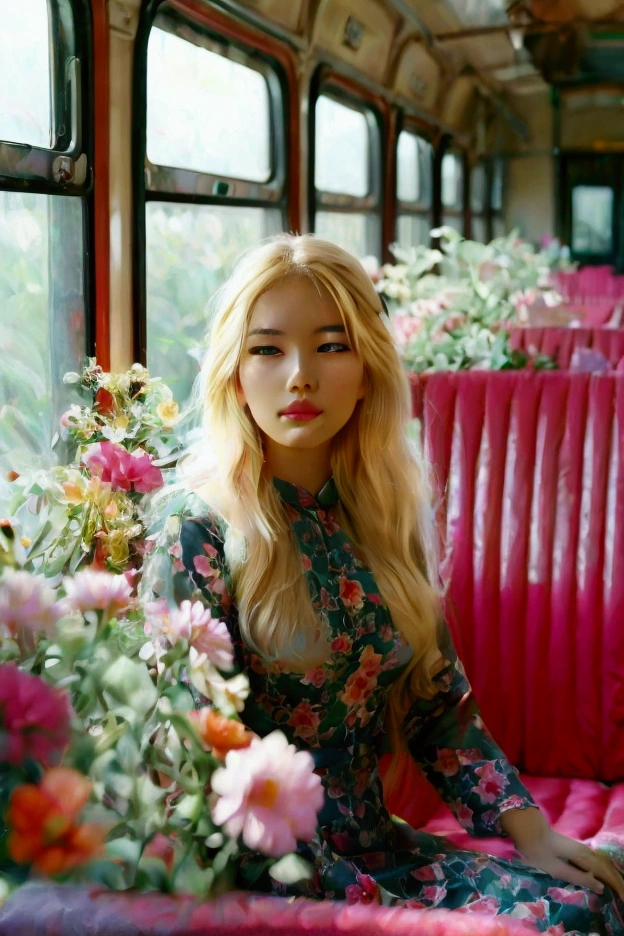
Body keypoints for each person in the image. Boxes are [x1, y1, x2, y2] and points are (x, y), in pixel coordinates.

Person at [146, 233, 624, 933]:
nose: (300, 376)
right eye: (268, 348)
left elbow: (438, 705)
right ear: (234, 371)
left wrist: (535, 835)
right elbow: (188, 753)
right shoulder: (197, 531)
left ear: (367, 366)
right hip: (266, 874)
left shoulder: (378, 511)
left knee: (599, 894)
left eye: (331, 346)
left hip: (377, 845)